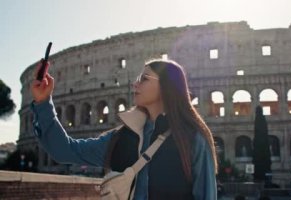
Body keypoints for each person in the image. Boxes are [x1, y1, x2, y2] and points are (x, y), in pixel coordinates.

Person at [30, 58, 218, 200]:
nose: (134, 83)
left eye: (144, 78)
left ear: (166, 86)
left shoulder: (192, 138)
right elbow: (65, 150)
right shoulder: (121, 137)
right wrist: (43, 102)